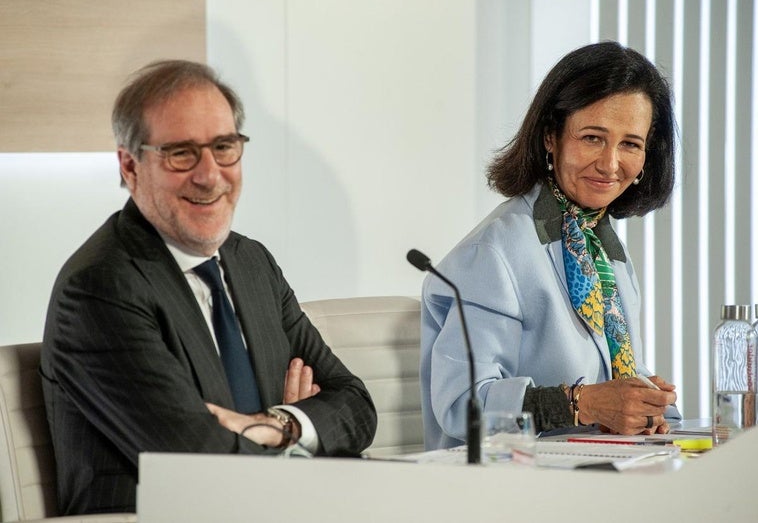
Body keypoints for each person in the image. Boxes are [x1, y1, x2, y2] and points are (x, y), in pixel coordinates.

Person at [40, 60, 377, 515]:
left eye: (224, 147)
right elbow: (202, 464)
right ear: (130, 164)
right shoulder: (100, 287)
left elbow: (356, 406)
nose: (210, 174)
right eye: (181, 152)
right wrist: (301, 436)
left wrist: (279, 424)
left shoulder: (251, 262)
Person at [420, 41, 681, 450]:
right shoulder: (495, 252)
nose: (611, 164)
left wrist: (648, 404)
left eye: (630, 143)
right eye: (593, 138)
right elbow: (462, 405)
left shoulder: (604, 248)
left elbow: (612, 374)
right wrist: (585, 404)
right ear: (550, 138)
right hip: (510, 489)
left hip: (592, 473)